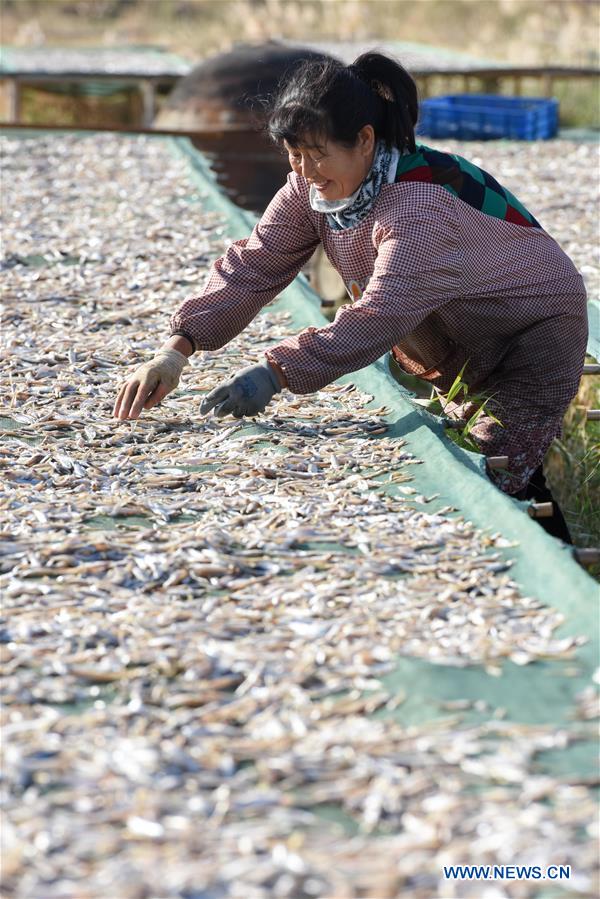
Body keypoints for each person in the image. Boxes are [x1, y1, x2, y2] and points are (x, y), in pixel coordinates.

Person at [113, 52, 588, 542]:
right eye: (294, 154)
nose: (305, 170)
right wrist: (176, 348)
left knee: (496, 472)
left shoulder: (418, 204)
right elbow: (257, 262)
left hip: (534, 334)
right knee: (490, 461)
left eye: (317, 153)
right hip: (465, 332)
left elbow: (381, 314)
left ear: (364, 140)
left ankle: (567, 584)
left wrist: (276, 372)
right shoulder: (311, 187)